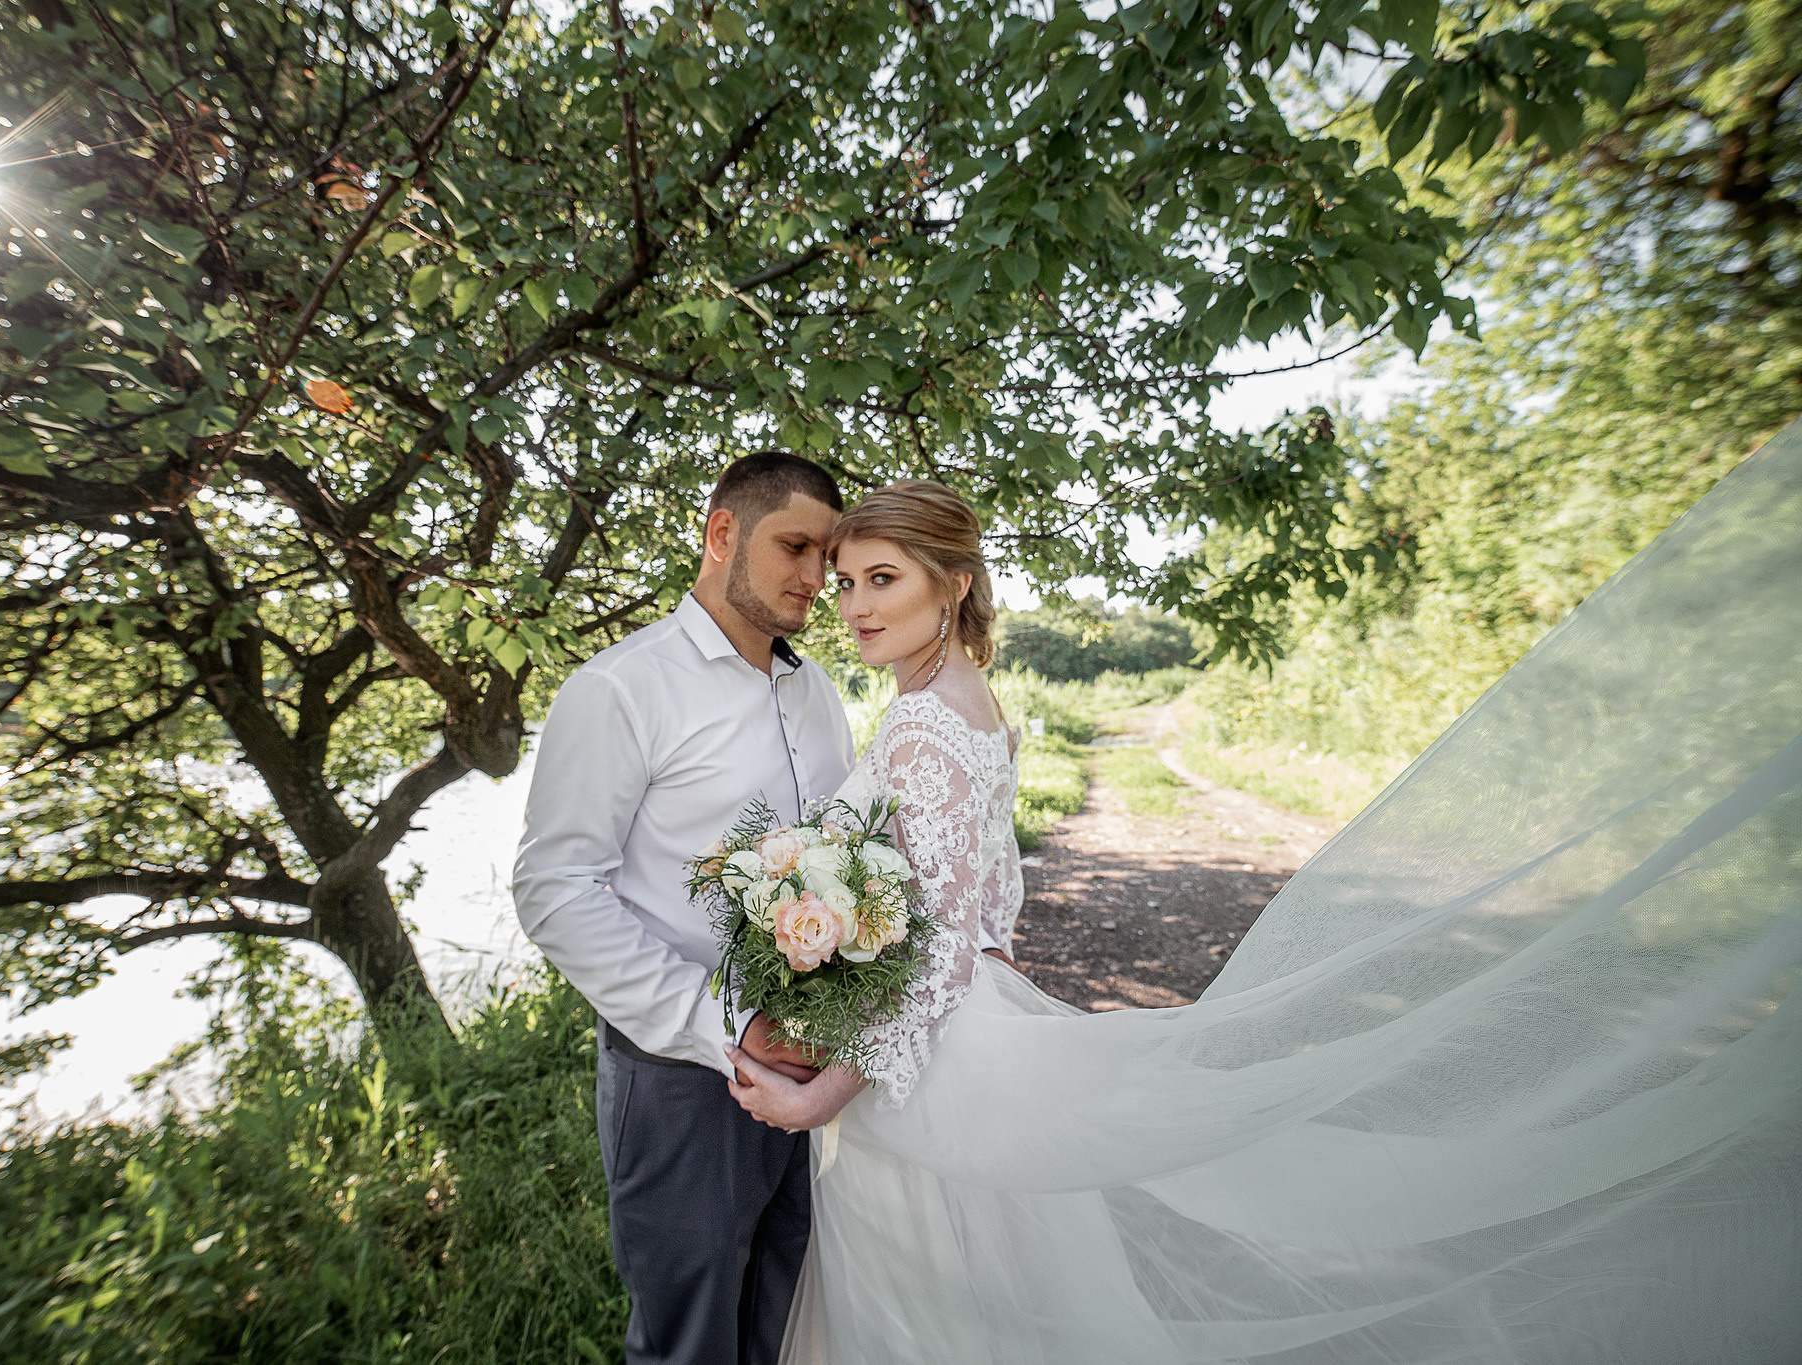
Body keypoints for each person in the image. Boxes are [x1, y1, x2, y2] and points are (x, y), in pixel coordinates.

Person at [726, 450, 1802, 1364]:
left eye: (880, 579)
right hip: (967, 1039)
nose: (853, 607)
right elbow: (979, 921)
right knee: (991, 1302)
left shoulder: (921, 726)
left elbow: (944, 941)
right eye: (845, 582)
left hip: (930, 1073)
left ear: (950, 585)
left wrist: (827, 1094)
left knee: (923, 1316)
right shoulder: (966, 705)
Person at [513, 451, 856, 1365]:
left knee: (789, 1316)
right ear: (721, 534)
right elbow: (554, 891)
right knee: (690, 1344)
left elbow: (846, 859)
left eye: (829, 555)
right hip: (678, 1079)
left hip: (810, 1070)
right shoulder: (621, 688)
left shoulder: (816, 690)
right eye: (796, 547)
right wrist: (732, 1024)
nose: (818, 577)